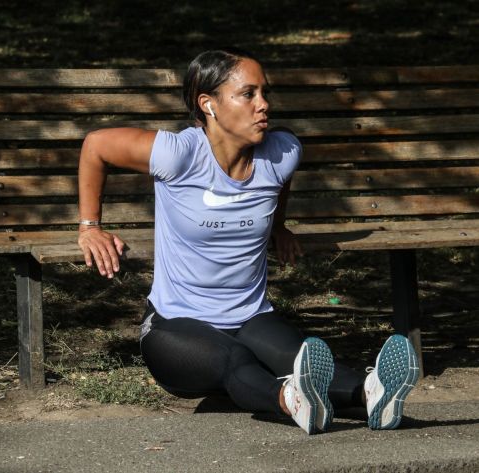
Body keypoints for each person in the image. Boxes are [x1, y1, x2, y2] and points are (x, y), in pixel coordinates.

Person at [77, 47, 420, 434]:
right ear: (208, 104)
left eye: (265, 93)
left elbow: (279, 181)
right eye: (249, 94)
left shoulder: (282, 153)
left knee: (296, 355)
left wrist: (277, 226)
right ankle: (291, 400)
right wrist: (90, 226)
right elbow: (96, 145)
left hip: (251, 316)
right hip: (175, 327)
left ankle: (371, 394)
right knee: (236, 360)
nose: (264, 105)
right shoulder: (178, 154)